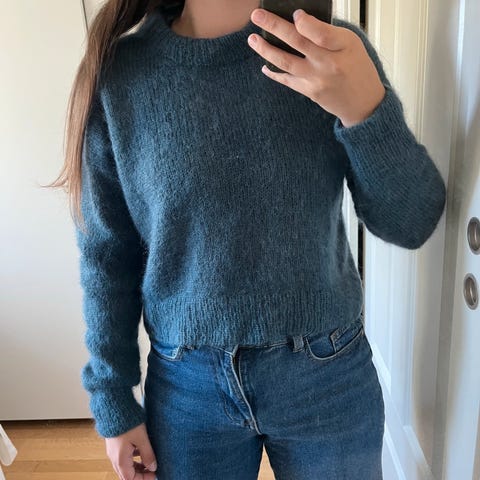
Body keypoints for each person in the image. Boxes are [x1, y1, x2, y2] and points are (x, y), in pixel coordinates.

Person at [49, 0, 447, 478]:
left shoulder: (326, 52)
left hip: (328, 376)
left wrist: (366, 110)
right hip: (186, 389)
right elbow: (107, 255)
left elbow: (411, 221)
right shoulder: (122, 75)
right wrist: (112, 396)